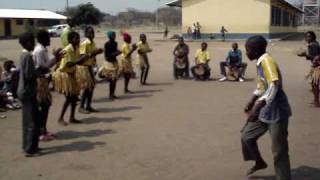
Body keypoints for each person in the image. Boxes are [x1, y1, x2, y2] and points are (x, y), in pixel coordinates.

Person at [241, 36, 292, 180]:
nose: (246, 52)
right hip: (265, 110)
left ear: (256, 50)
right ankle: (259, 161)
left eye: (248, 50)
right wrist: (251, 100)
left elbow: (274, 84)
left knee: (279, 150)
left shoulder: (267, 61)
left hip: (277, 112)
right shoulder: (260, 62)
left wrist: (257, 106)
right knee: (246, 136)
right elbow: (262, 85)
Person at [53, 32, 92, 125]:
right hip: (64, 74)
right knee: (69, 97)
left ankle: (72, 117)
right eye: (76, 38)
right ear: (70, 40)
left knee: (74, 97)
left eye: (78, 38)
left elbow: (77, 61)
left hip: (71, 73)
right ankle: (61, 118)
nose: (78, 40)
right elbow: (69, 64)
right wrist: (81, 59)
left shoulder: (76, 48)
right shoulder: (68, 49)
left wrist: (85, 57)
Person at [17, 32, 41, 157]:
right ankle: (29, 149)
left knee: (33, 120)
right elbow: (29, 75)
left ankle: (32, 146)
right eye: (32, 41)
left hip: (28, 91)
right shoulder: (27, 56)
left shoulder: (25, 55)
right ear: (26, 43)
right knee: (31, 122)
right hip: (27, 92)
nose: (34, 43)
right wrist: (39, 72)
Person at [77, 26, 103, 114]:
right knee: (87, 87)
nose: (92, 34)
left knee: (91, 86)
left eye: (93, 32)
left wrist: (96, 54)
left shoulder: (92, 43)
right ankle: (81, 107)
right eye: (90, 32)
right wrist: (94, 53)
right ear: (86, 34)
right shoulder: (85, 43)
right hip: (84, 67)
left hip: (90, 66)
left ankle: (88, 105)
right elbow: (81, 58)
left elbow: (92, 55)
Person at [297, 31, 320, 107]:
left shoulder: (313, 45)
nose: (308, 38)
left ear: (313, 37)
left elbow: (315, 57)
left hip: (317, 67)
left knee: (315, 84)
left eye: (309, 36)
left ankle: (316, 102)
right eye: (306, 37)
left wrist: (304, 55)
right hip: (315, 66)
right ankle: (315, 100)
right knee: (314, 84)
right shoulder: (315, 43)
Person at [99, 31, 121, 100]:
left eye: (115, 35)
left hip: (114, 62)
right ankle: (110, 94)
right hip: (109, 63)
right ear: (109, 36)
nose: (114, 36)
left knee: (114, 80)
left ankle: (112, 94)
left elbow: (114, 52)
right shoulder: (107, 44)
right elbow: (106, 56)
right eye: (113, 35)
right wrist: (116, 53)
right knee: (112, 80)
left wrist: (117, 53)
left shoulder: (115, 43)